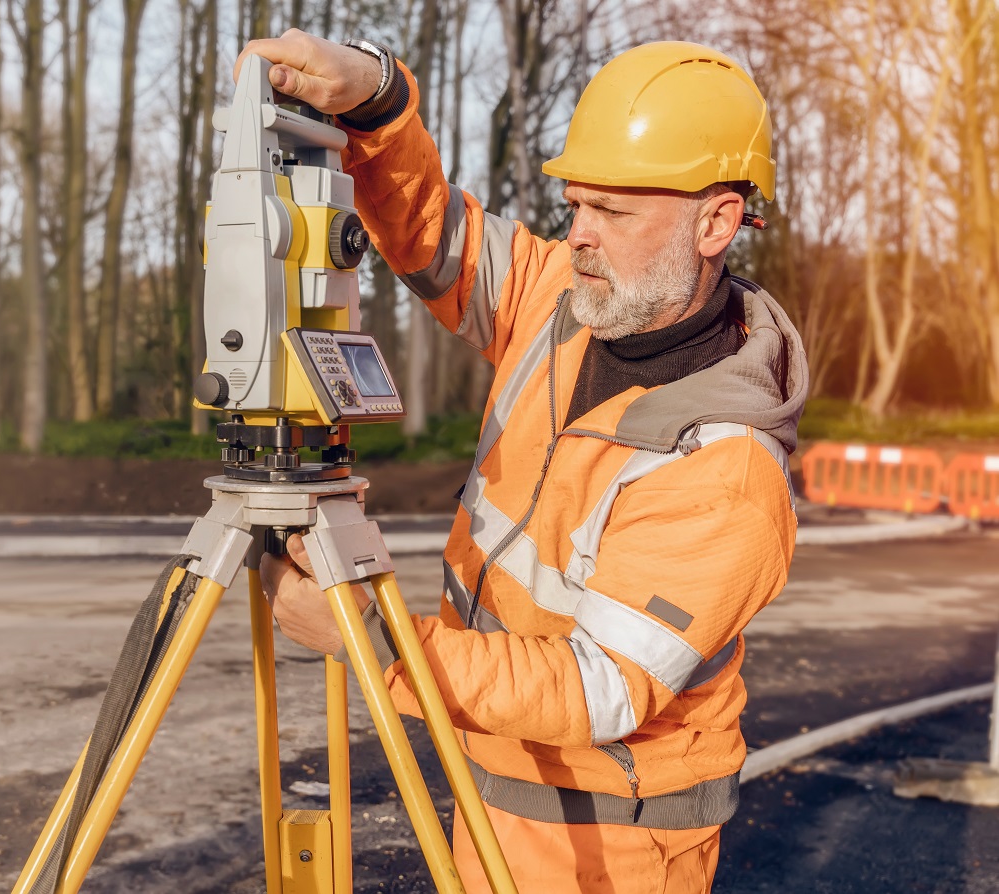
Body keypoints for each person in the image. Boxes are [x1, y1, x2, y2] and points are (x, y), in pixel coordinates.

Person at [243, 31, 808, 894]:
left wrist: (372, 641)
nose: (577, 234)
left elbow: (597, 691)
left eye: (611, 212)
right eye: (574, 203)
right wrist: (378, 103)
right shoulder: (565, 303)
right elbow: (434, 229)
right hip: (491, 787)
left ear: (717, 221)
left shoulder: (727, 469)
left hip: (609, 845)